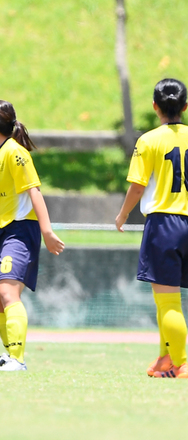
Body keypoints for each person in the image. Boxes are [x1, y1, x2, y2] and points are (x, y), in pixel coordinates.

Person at [115, 78, 188, 379]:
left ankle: (180, 363)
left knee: (168, 302)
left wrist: (123, 214)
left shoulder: (149, 141)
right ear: (185, 107)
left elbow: (138, 187)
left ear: (155, 107)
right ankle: (165, 359)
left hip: (164, 223)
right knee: (166, 299)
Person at [0, 100, 65, 371]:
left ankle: (17, 360)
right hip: (3, 229)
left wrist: (47, 231)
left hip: (18, 230)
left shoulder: (15, 153)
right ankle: (7, 357)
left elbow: (34, 191)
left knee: (7, 291)